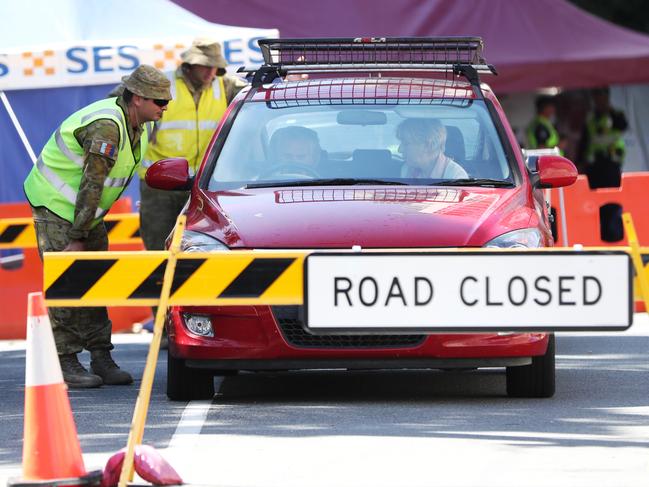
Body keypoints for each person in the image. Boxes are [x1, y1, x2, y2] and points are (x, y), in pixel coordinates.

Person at [23, 64, 172, 388]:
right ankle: (65, 360)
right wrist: (78, 236)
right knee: (67, 283)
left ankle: (101, 356)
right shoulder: (106, 126)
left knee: (94, 281)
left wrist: (87, 226)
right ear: (136, 99)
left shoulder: (140, 124)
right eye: (159, 102)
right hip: (58, 206)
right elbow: (92, 183)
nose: (164, 107)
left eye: (166, 102)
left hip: (86, 213)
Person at [138, 38, 248, 252]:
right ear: (189, 65)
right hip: (159, 184)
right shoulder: (163, 84)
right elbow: (122, 103)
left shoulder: (226, 85)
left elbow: (258, 91)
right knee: (157, 247)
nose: (210, 73)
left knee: (202, 247)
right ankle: (159, 284)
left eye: (215, 67)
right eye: (205, 66)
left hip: (204, 186)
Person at [579, 87, 628, 188]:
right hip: (594, 164)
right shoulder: (591, 117)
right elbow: (584, 142)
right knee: (594, 195)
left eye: (602, 96)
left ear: (607, 97)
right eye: (596, 97)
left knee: (612, 194)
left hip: (611, 162)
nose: (599, 100)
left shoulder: (616, 114)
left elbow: (623, 126)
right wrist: (580, 162)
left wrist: (610, 111)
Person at [397, 118, 468, 179]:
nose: (399, 150)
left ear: (428, 145)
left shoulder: (455, 177)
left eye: (406, 143)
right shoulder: (407, 170)